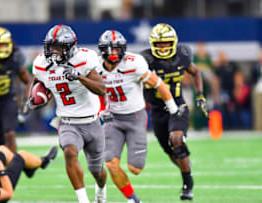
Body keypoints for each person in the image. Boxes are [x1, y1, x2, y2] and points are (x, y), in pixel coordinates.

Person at [96, 30, 182, 203]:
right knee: (111, 164)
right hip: (113, 119)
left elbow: (158, 84)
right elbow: (88, 92)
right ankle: (133, 199)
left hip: (135, 117)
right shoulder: (95, 67)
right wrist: (100, 110)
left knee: (135, 168)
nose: (114, 54)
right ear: (102, 50)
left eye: (117, 49)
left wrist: (173, 109)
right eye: (110, 49)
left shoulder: (133, 63)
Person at [29, 24, 107, 203]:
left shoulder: (85, 59)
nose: (54, 51)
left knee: (97, 171)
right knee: (70, 152)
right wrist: (35, 97)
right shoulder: (41, 64)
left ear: (70, 47)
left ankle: (101, 191)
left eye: (59, 47)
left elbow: (102, 89)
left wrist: (78, 76)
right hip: (67, 121)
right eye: (51, 47)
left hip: (91, 121)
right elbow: (38, 82)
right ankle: (83, 200)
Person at [141, 23, 207, 200]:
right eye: (159, 44)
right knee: (171, 152)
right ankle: (185, 165)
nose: (163, 47)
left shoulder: (182, 55)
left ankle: (187, 185)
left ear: (174, 42)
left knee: (176, 139)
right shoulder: (145, 60)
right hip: (156, 109)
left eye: (166, 43)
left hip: (178, 105)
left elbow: (196, 72)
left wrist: (200, 95)